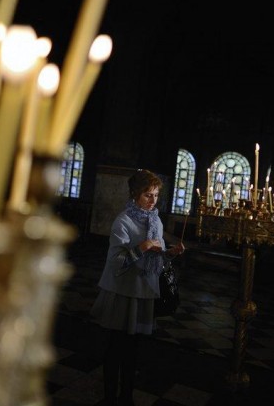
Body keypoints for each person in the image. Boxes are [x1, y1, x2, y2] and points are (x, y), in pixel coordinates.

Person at [90, 169, 185, 406]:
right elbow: (115, 263)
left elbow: (158, 259)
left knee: (133, 350)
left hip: (143, 290)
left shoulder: (156, 220)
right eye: (147, 195)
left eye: (155, 195)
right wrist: (140, 248)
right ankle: (110, 397)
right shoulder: (123, 221)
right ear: (134, 194)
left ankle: (127, 397)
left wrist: (170, 253)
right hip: (123, 292)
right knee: (115, 348)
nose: (153, 201)